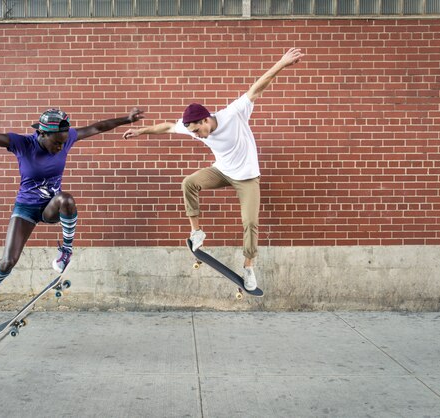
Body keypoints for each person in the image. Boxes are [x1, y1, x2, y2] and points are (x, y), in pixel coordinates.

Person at [0, 95, 144, 318]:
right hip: (25, 209)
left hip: (50, 207)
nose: (60, 147)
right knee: (8, 261)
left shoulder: (66, 138)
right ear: (42, 134)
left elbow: (97, 127)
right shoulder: (22, 144)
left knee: (66, 199)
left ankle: (66, 251)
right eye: (56, 143)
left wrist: (127, 119)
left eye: (64, 143)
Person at [122, 47, 304, 291]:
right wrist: (140, 131)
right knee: (189, 182)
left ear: (206, 120)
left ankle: (249, 268)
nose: (197, 136)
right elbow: (166, 127)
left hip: (247, 178)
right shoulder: (192, 127)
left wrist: (282, 63)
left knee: (250, 222)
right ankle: (197, 232)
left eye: (198, 130)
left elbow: (258, 86)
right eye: (193, 132)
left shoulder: (234, 113)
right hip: (222, 171)